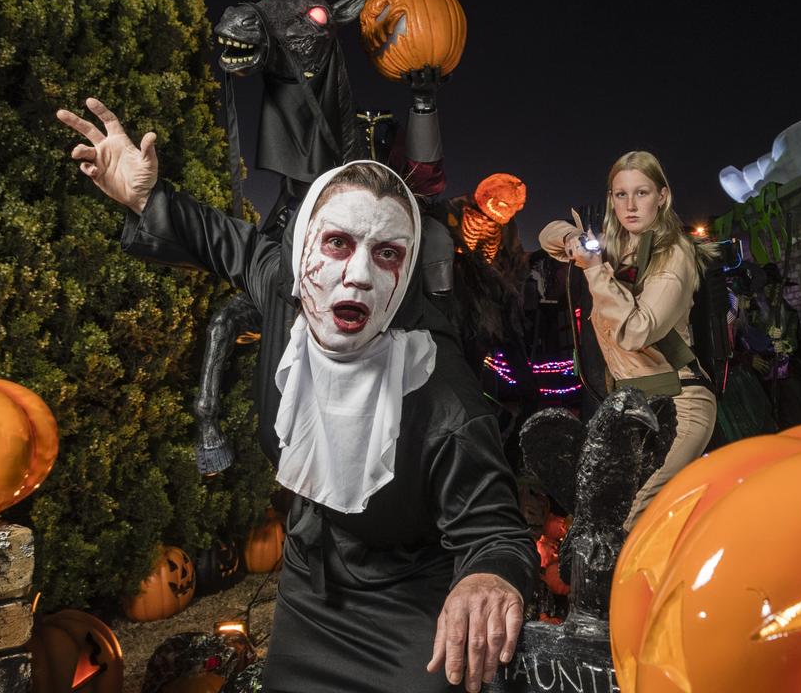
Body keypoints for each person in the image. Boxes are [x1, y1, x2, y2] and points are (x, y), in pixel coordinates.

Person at [56, 98, 537, 693]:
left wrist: (488, 577)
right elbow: (218, 240)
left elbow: (495, 531)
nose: (358, 275)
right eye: (336, 243)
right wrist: (145, 195)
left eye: (387, 253)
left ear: (406, 273)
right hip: (310, 586)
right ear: (303, 250)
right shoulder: (286, 292)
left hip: (409, 605)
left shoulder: (442, 397)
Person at [538, 151, 717, 529]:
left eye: (642, 193)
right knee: (610, 515)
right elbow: (547, 236)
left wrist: (595, 272)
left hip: (680, 403)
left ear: (662, 196)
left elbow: (638, 331)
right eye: (621, 195)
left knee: (629, 518)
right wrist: (573, 237)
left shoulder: (674, 254)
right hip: (635, 406)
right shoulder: (616, 249)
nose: (631, 205)